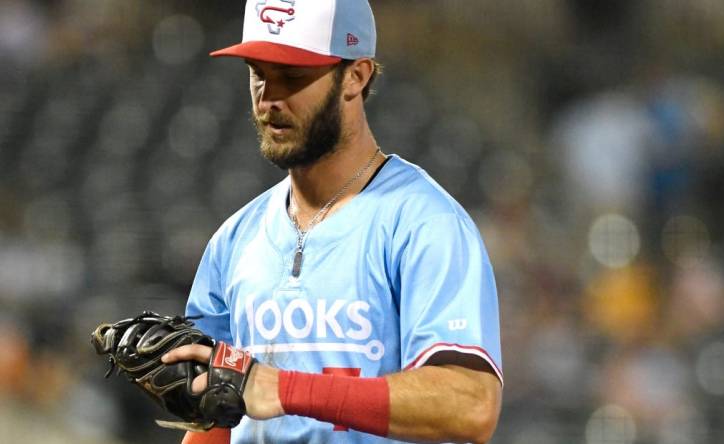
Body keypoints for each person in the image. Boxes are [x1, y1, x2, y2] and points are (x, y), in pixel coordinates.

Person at [161, 1, 503, 443]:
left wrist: (285, 389)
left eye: (293, 75)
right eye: (258, 72)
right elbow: (214, 421)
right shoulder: (234, 240)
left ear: (356, 76)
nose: (269, 97)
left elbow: (471, 405)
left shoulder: (424, 223)